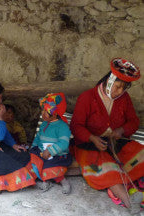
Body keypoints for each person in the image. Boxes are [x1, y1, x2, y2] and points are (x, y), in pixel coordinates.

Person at [70, 58, 144, 215]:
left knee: (140, 152)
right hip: (89, 144)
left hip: (116, 142)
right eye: (117, 86)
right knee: (105, 167)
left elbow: (134, 122)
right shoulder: (87, 97)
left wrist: (121, 130)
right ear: (109, 81)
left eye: (123, 89)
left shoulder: (124, 99)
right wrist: (92, 138)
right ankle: (129, 202)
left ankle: (135, 187)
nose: (119, 91)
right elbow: (76, 126)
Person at [30, 93, 72, 194]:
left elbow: (63, 143)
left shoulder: (62, 126)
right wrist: (33, 147)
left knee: (50, 165)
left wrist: (50, 151)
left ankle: (62, 181)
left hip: (58, 155)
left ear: (55, 113)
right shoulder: (44, 124)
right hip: (42, 152)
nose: (43, 113)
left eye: (47, 111)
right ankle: (47, 179)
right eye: (43, 110)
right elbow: (38, 137)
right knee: (31, 160)